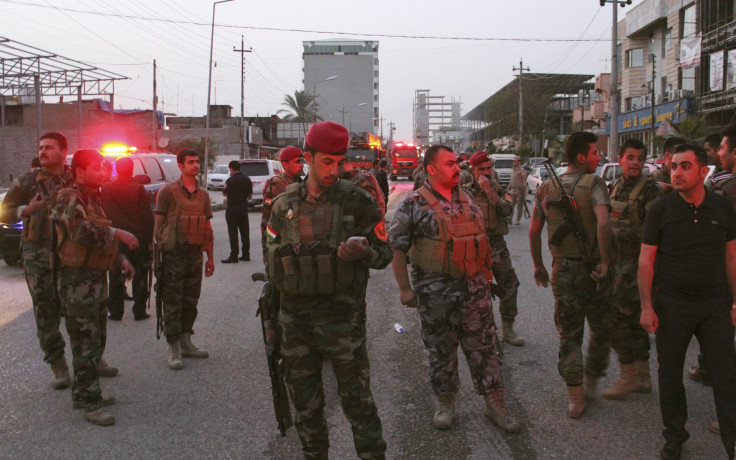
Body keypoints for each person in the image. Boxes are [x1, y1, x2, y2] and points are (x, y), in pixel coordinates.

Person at [266, 121, 390, 459]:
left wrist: (366, 253)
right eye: (327, 162)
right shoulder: (283, 205)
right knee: (306, 409)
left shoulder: (359, 202)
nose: (337, 170)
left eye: (341, 161)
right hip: (296, 325)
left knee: (359, 404)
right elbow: (271, 262)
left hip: (343, 323)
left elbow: (385, 254)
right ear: (307, 157)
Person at [389, 145, 521, 434]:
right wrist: (404, 289)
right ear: (431, 169)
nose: (456, 168)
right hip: (435, 294)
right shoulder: (413, 203)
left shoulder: (470, 200)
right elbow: (397, 248)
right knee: (441, 350)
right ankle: (445, 402)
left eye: (456, 163)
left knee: (485, 348)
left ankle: (495, 403)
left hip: (475, 291)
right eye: (449, 164)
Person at [639, 143, 736, 460]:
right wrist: (647, 306)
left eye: (685, 166)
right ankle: (674, 436)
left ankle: (732, 443)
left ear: (704, 171)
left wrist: (735, 303)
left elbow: (732, 258)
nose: (675, 172)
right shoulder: (661, 210)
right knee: (669, 374)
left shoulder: (723, 209)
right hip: (672, 305)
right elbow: (646, 261)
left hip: (715, 306)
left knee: (726, 376)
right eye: (674, 166)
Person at [0, 132, 115, 389]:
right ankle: (58, 364)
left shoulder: (76, 178)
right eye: (40, 147)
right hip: (38, 258)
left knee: (87, 311)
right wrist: (24, 210)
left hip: (73, 257)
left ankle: (92, 359)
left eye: (48, 147)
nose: (42, 151)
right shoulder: (27, 182)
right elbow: (3, 213)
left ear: (64, 152)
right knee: (45, 312)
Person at [529, 131, 613, 418]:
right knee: (602, 327)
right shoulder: (595, 183)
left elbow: (533, 231)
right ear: (581, 156)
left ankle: (575, 398)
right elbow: (603, 223)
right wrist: (605, 264)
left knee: (569, 334)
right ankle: (590, 379)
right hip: (593, 271)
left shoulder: (547, 186)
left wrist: (539, 266)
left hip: (561, 269)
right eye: (595, 152)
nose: (599, 157)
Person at [51, 148, 137, 426]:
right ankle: (90, 401)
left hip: (95, 278)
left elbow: (98, 234)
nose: (104, 171)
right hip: (77, 282)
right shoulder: (68, 196)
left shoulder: (91, 196)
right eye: (98, 166)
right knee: (85, 345)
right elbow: (78, 231)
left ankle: (82, 393)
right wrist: (117, 232)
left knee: (97, 340)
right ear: (79, 171)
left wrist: (120, 259)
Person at [602, 139, 663, 400]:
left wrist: (617, 231)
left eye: (640, 158)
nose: (636, 162)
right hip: (618, 267)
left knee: (618, 322)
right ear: (620, 158)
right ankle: (643, 377)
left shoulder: (651, 192)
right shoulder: (615, 187)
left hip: (637, 269)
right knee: (631, 323)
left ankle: (629, 376)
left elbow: (657, 233)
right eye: (631, 157)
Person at [153, 149, 215, 370]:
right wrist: (156, 258)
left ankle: (187, 341)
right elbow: (157, 226)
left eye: (197, 161)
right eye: (191, 162)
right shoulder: (167, 193)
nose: (196, 166)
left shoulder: (203, 195)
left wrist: (210, 258)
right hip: (173, 256)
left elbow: (207, 228)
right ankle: (173, 347)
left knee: (191, 300)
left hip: (194, 255)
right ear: (180, 166)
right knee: (172, 301)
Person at [467, 151, 524, 346]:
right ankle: (477, 331)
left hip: (496, 245)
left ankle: (508, 329)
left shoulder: (500, 190)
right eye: (481, 169)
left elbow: (507, 210)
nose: (486, 172)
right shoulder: (464, 192)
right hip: (472, 247)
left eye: (489, 168)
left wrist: (489, 191)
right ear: (472, 170)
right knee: (472, 290)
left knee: (510, 284)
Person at [101, 157, 155, 320]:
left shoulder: (105, 188)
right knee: (140, 273)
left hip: (114, 238)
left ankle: (116, 311)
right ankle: (139, 310)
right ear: (132, 169)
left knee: (115, 274)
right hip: (136, 239)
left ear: (117, 169)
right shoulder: (138, 189)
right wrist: (149, 241)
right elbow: (147, 217)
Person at [260, 146, 304, 263]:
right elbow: (267, 220)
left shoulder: (302, 184)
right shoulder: (276, 186)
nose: (302, 165)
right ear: (285, 165)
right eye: (297, 161)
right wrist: (268, 249)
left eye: (302, 161)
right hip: (283, 243)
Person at [221, 160, 252, 263]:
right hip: (243, 208)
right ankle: (246, 254)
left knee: (233, 233)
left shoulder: (230, 180)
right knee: (245, 232)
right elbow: (250, 195)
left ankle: (234, 255)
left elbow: (224, 194)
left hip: (232, 209)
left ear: (231, 169)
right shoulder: (247, 179)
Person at [508, 156, 528, 224]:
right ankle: (509, 219)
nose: (513, 163)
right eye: (513, 161)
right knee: (510, 205)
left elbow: (524, 182)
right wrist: (508, 189)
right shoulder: (512, 170)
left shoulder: (522, 171)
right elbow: (511, 181)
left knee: (519, 206)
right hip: (512, 190)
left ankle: (518, 219)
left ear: (519, 162)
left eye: (515, 161)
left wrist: (524, 192)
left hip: (519, 191)